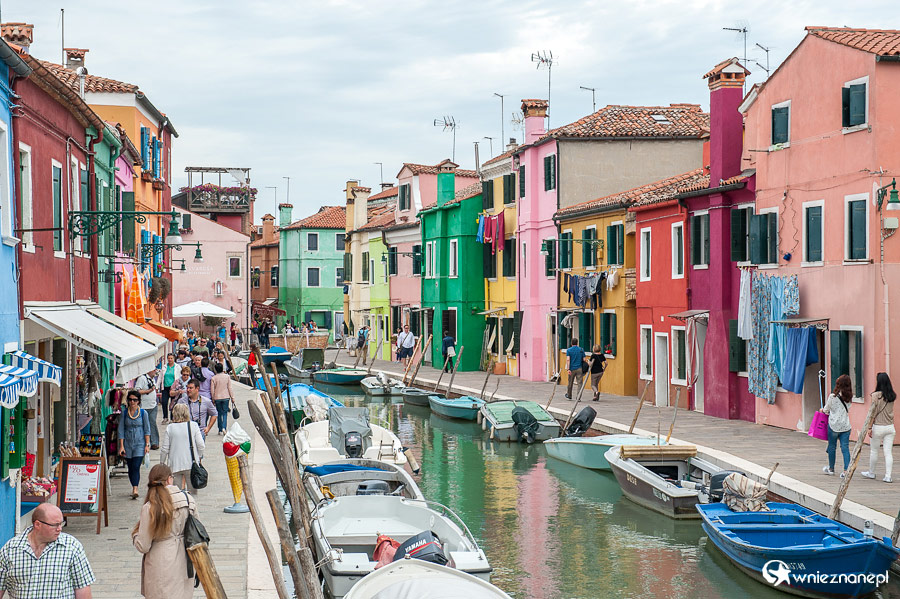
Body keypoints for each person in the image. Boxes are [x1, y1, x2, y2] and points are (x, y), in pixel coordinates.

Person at [0, 503, 95, 598]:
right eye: (55, 525)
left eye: (61, 523)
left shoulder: (72, 547)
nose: (60, 529)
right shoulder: (10, 550)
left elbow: (83, 588)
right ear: (37, 524)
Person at [131, 464, 197, 599]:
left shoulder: (150, 507)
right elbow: (197, 531)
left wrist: (135, 536)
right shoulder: (187, 500)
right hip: (185, 560)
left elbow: (143, 546)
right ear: (169, 479)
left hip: (160, 561)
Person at [160, 405, 205, 493]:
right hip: (191, 464)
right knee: (193, 493)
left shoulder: (170, 427)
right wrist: (198, 456)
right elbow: (201, 445)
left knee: (176, 494)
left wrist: (162, 462)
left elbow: (165, 448)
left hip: (174, 464)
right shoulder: (193, 425)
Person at [862, 372, 896, 483]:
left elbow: (873, 413)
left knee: (874, 451)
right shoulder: (892, 395)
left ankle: (871, 472)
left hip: (878, 427)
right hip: (890, 427)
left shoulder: (875, 396)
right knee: (888, 452)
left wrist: (869, 427)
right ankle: (888, 476)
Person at [118, 390, 151, 499]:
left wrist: (147, 444)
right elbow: (121, 430)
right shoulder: (124, 413)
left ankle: (135, 488)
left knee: (136, 466)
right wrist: (121, 446)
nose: (132, 402)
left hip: (139, 443)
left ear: (138, 401)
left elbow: (147, 430)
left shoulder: (143, 413)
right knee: (131, 467)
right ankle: (133, 485)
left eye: (135, 400)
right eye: (130, 400)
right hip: (128, 443)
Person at [822, 374, 854, 477]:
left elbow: (826, 410)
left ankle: (831, 468)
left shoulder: (832, 397)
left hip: (834, 425)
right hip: (845, 426)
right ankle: (846, 471)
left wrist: (821, 410)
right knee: (845, 448)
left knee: (832, 447)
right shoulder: (849, 398)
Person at [134, 368, 160, 450]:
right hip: (144, 406)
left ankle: (154, 442)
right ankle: (144, 442)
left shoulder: (152, 379)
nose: (155, 371)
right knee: (144, 424)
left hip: (153, 405)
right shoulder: (142, 378)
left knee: (152, 423)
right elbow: (137, 391)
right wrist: (148, 391)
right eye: (154, 370)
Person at [210, 362, 234, 435]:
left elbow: (212, 390)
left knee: (219, 413)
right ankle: (224, 427)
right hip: (226, 397)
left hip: (217, 397)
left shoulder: (214, 378)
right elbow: (230, 387)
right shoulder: (227, 377)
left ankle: (220, 429)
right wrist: (232, 397)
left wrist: (213, 398)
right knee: (224, 413)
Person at [157, 354, 177, 425]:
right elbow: (160, 377)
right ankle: (165, 417)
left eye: (171, 358)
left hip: (173, 388)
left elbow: (178, 377)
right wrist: (157, 386)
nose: (170, 360)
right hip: (165, 387)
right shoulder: (164, 367)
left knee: (173, 403)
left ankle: (172, 417)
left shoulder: (177, 367)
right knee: (164, 402)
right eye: (169, 358)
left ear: (174, 359)